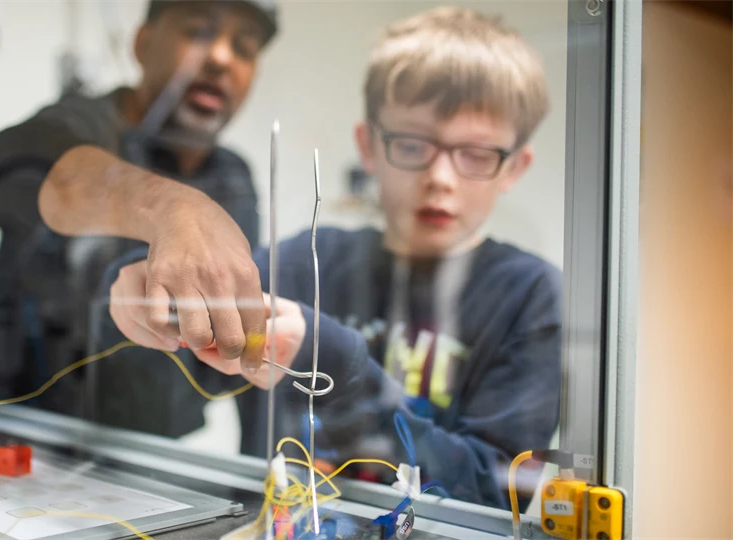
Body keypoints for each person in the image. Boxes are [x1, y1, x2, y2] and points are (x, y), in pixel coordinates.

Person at [102, 6, 562, 509]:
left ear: (515, 167)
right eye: (412, 146)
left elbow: (496, 495)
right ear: (368, 147)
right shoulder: (302, 263)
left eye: (476, 154)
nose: (440, 179)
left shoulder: (531, 297)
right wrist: (148, 285)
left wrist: (338, 364)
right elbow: (177, 368)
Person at [0, 0, 280, 439]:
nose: (220, 57)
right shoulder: (81, 126)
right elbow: (16, 164)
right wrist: (168, 207)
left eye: (243, 48)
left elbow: (240, 329)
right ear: (143, 43)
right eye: (199, 32)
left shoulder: (233, 176)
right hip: (17, 433)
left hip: (149, 448)